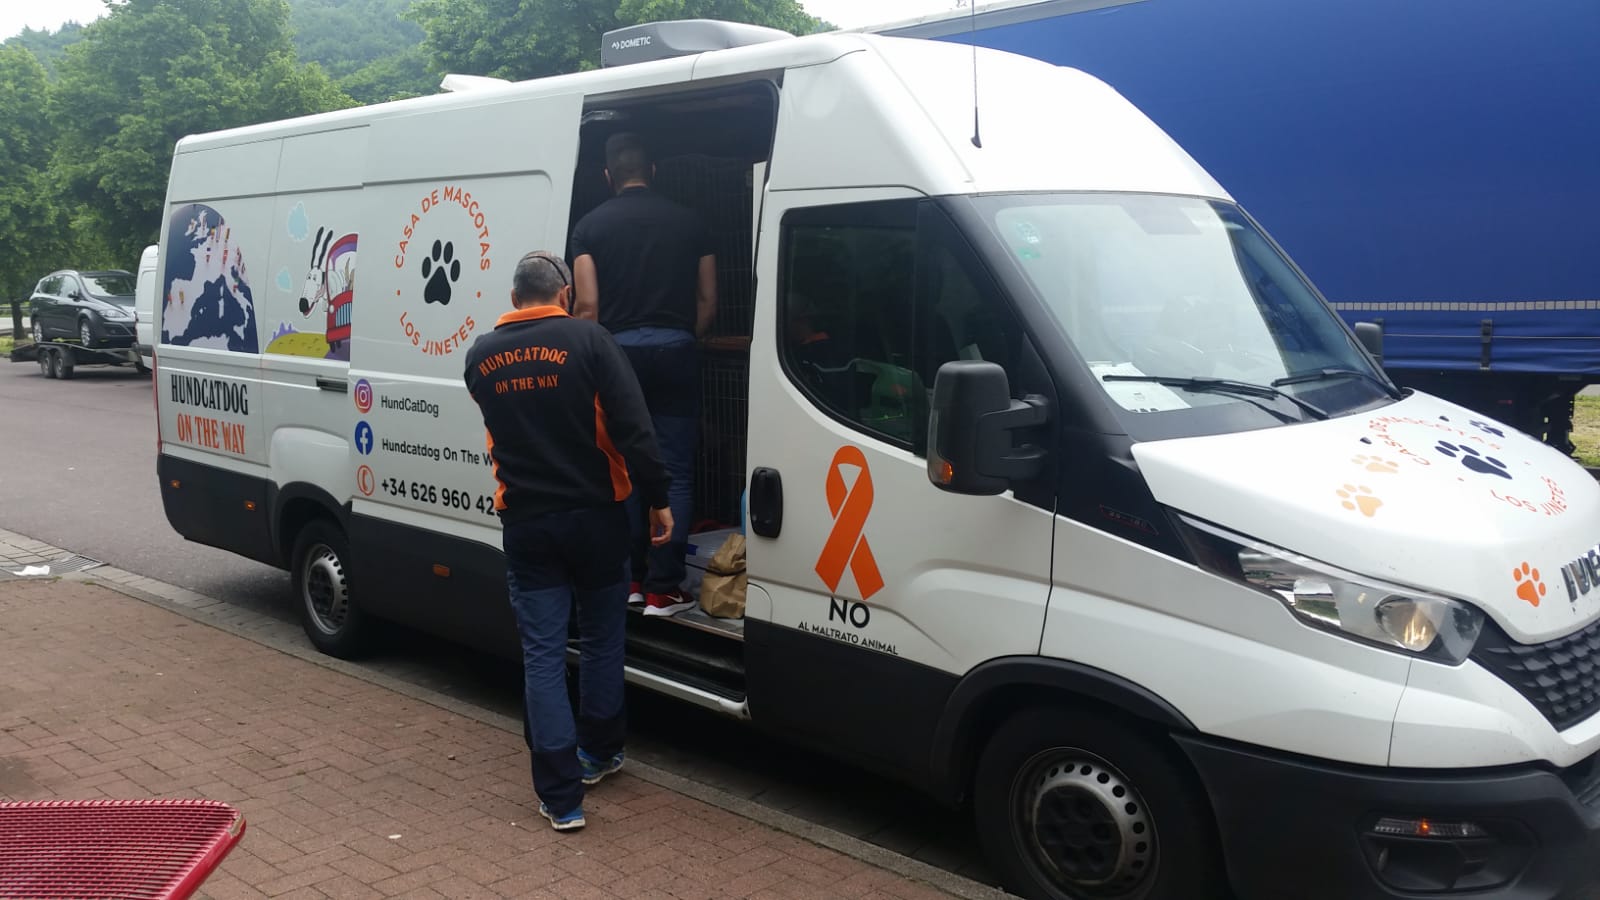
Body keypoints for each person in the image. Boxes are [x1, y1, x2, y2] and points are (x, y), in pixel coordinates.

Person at [463, 250, 673, 832]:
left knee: (543, 655)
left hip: (528, 523)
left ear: (514, 299)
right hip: (597, 518)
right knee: (603, 639)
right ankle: (598, 753)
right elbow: (633, 425)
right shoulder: (591, 341)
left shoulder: (480, 357)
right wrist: (657, 497)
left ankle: (561, 800)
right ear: (565, 296)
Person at [569, 132, 716, 617]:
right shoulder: (692, 223)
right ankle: (664, 587)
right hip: (675, 350)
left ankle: (630, 579)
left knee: (624, 465)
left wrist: (595, 359)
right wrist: (685, 336)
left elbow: (587, 306)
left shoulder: (589, 227)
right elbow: (708, 301)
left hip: (618, 356)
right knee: (673, 468)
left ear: (607, 176)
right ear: (652, 171)